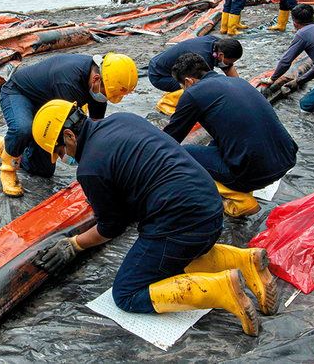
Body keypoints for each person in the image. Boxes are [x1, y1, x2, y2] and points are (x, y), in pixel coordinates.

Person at [30, 100, 279, 336]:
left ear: (69, 136)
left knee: (126, 293)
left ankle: (222, 289)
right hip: (211, 210)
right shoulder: (122, 120)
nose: (63, 158)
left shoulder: (90, 169)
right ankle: (246, 261)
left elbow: (111, 227)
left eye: (60, 150)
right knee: (176, 259)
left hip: (183, 225)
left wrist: (73, 245)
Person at [0, 53, 137, 197]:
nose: (107, 98)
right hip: (20, 94)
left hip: (48, 105)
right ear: (96, 79)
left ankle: (0, 145)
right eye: (108, 94)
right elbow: (66, 131)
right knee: (24, 129)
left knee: (43, 169)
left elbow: (95, 127)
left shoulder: (102, 83)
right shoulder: (68, 83)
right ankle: (8, 169)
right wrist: (89, 166)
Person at [163, 53, 298, 217]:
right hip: (286, 158)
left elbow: (169, 139)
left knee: (184, 153)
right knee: (218, 139)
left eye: (181, 86)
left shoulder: (193, 93)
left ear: (188, 81)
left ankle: (240, 199)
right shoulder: (237, 81)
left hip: (252, 175)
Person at [148, 36, 243, 115]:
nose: (230, 64)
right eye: (230, 61)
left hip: (163, 66)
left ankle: (175, 91)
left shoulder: (218, 44)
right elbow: (205, 86)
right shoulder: (202, 59)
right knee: (201, 88)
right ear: (221, 55)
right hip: (159, 76)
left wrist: (239, 90)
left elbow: (229, 69)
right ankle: (166, 103)